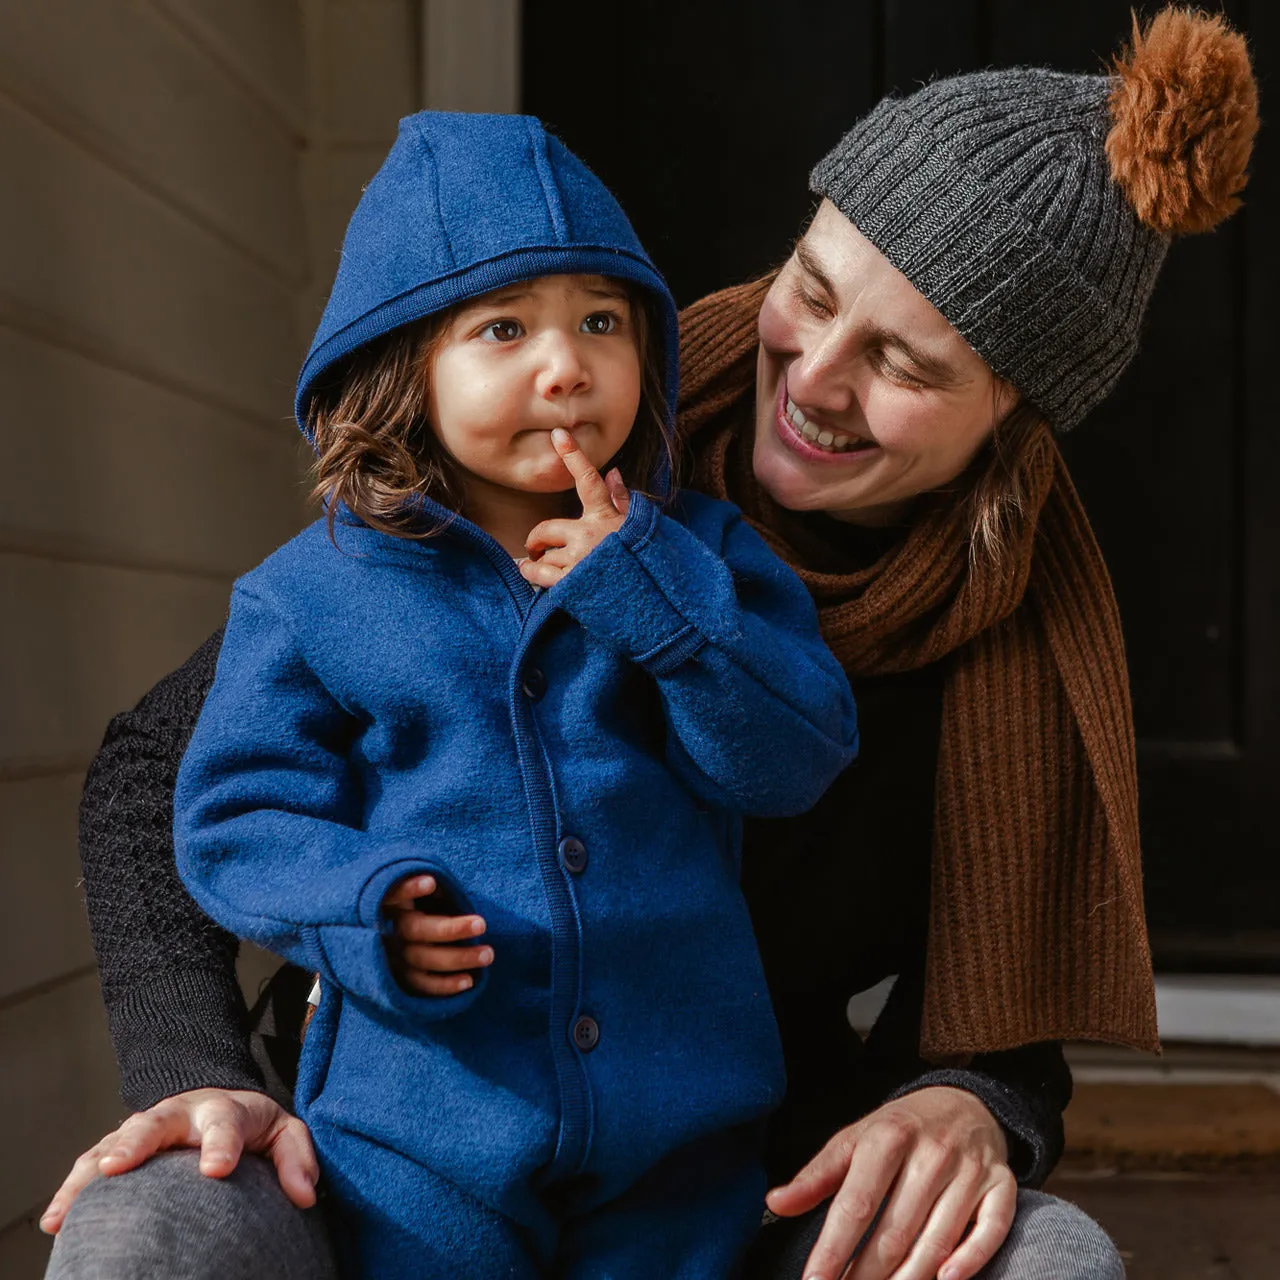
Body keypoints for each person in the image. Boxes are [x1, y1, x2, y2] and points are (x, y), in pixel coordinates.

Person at [44, 8, 1258, 1280]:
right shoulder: (464, 503)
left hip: (715, 1163)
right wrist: (198, 1067)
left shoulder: (982, 630)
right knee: (152, 1232)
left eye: (901, 362)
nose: (812, 378)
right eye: (810, 291)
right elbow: (170, 780)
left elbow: (998, 974)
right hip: (400, 1129)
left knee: (1050, 1261)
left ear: (1012, 417)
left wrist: (973, 1098)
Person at [169, 108, 857, 1279]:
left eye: (601, 320)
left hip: (676, 1133)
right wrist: (361, 908)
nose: (566, 364)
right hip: (420, 1133)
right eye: (502, 327)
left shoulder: (702, 551)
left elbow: (790, 757)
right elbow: (234, 816)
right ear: (401, 365)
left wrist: (648, 596)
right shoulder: (310, 593)